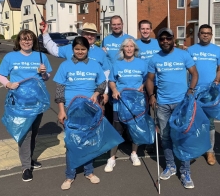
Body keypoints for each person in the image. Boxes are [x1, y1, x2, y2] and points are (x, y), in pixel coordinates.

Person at [146, 28, 199, 189]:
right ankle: (170, 166)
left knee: (183, 137)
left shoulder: (183, 55)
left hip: (181, 103)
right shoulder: (154, 58)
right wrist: (151, 95)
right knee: (166, 137)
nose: (165, 41)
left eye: (168, 38)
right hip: (162, 105)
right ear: (159, 41)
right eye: (162, 39)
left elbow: (194, 74)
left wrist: (190, 90)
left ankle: (185, 172)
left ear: (173, 39)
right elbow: (149, 79)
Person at [0, 29, 52, 182]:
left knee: (34, 132)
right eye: (23, 39)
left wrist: (43, 72)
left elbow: (46, 78)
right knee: (25, 133)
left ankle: (29, 158)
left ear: (33, 41)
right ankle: (26, 167)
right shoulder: (10, 57)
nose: (26, 42)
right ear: (19, 41)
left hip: (37, 101)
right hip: (19, 102)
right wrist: (8, 83)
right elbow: (0, 75)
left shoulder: (40, 56)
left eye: (29, 39)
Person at [53, 36, 106, 190]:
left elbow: (102, 83)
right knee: (71, 143)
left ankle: (89, 171)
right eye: (77, 49)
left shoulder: (95, 65)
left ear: (87, 49)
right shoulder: (65, 65)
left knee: (88, 141)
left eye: (83, 49)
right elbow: (59, 90)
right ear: (73, 50)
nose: (80, 51)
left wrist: (96, 95)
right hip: (70, 109)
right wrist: (61, 111)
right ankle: (70, 175)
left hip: (89, 110)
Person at [104, 38, 147, 171]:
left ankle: (134, 153)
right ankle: (111, 158)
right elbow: (111, 81)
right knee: (117, 130)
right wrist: (115, 90)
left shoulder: (142, 63)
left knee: (135, 129)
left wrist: (143, 86)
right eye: (126, 47)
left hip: (136, 103)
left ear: (135, 49)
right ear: (123, 49)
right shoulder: (117, 64)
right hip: (120, 103)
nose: (129, 49)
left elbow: (148, 79)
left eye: (131, 46)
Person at [42, 22, 110, 105]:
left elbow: (106, 73)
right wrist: (45, 33)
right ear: (81, 34)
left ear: (96, 36)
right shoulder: (70, 47)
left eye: (92, 34)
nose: (89, 36)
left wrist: (105, 92)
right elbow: (54, 49)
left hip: (93, 98)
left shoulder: (101, 52)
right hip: (71, 100)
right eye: (86, 34)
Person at [187, 24, 220, 166]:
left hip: (210, 93)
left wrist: (216, 81)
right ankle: (194, 150)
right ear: (198, 34)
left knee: (209, 122)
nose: (205, 35)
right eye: (203, 33)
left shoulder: (217, 50)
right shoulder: (190, 50)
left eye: (208, 33)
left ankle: (210, 151)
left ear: (211, 35)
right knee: (193, 122)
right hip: (193, 92)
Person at [135, 19, 160, 152]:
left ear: (151, 30)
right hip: (142, 85)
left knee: (159, 112)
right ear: (139, 30)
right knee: (145, 113)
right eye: (142, 29)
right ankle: (146, 138)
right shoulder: (135, 44)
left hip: (158, 83)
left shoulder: (157, 43)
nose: (145, 31)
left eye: (147, 28)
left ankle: (159, 138)